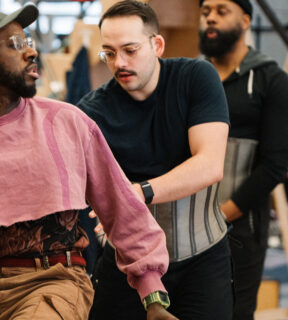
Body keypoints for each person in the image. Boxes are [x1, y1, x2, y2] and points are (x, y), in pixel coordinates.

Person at [0, 4, 175, 320]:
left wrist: (153, 297)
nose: (31, 51)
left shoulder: (67, 122)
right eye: (16, 44)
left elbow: (121, 207)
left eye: (28, 40)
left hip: (56, 283)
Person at [76, 1, 232, 319]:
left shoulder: (196, 78)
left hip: (201, 258)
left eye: (130, 50)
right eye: (109, 52)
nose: (119, 62)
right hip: (126, 265)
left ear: (156, 44)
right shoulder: (93, 111)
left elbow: (210, 165)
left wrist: (138, 192)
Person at [199, 1, 288, 319]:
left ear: (244, 20)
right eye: (205, 12)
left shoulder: (271, 80)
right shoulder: (193, 76)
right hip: (189, 222)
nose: (210, 17)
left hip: (241, 226)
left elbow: (274, 166)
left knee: (234, 312)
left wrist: (222, 216)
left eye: (221, 10)